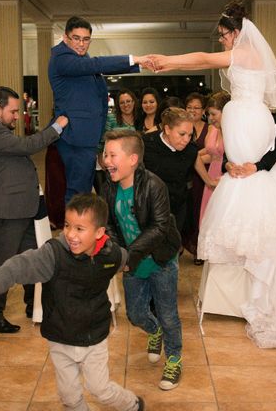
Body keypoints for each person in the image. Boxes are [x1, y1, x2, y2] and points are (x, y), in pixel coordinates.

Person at [148, 1, 276, 348]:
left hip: (249, 117)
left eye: (225, 35)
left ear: (239, 32)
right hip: (246, 118)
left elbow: (201, 57)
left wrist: (167, 61)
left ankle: (261, 282)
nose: (223, 41)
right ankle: (240, 280)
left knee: (253, 181)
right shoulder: (245, 65)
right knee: (241, 177)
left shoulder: (244, 55)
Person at [0, 193, 144, 411]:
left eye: (79, 228)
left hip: (94, 337)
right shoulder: (52, 256)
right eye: (67, 225)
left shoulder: (111, 255)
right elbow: (17, 267)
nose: (70, 234)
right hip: (60, 337)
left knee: (100, 390)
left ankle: (132, 404)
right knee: (70, 397)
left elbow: (126, 260)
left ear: (99, 233)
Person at [0, 86, 68, 333]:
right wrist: (56, 127)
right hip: (8, 209)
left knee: (31, 258)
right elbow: (28, 146)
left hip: (21, 207)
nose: (17, 116)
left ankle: (32, 305)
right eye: (13, 111)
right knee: (2, 263)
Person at [101, 129, 183, 390]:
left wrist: (129, 255)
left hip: (161, 260)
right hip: (133, 263)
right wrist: (119, 253)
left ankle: (174, 359)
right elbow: (110, 224)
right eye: (105, 154)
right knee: (136, 314)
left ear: (133, 159)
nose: (106, 160)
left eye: (112, 155)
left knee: (169, 314)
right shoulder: (108, 187)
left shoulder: (154, 185)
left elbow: (159, 228)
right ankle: (154, 330)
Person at [49, 15, 150, 204]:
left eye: (86, 39)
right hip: (75, 136)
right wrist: (133, 59)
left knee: (83, 191)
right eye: (76, 38)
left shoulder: (78, 57)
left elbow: (98, 70)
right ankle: (75, 231)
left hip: (86, 136)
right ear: (65, 38)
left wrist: (139, 65)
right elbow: (96, 64)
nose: (81, 44)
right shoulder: (61, 58)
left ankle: (80, 230)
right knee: (77, 193)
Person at [143, 107, 198, 233]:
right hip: (150, 208)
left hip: (177, 206)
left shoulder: (191, 150)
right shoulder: (146, 145)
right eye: (182, 134)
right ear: (167, 129)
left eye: (190, 135)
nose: (186, 140)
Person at [181, 92, 209, 261]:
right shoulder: (182, 127)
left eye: (197, 108)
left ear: (203, 110)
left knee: (201, 212)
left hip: (203, 176)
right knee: (186, 212)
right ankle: (183, 245)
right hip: (184, 176)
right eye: (189, 107)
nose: (193, 111)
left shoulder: (210, 128)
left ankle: (199, 249)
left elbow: (214, 153)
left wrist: (192, 158)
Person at [195, 91, 229, 228]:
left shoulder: (233, 131)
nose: (210, 118)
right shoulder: (212, 129)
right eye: (209, 114)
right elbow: (211, 155)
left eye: (214, 114)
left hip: (226, 177)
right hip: (211, 177)